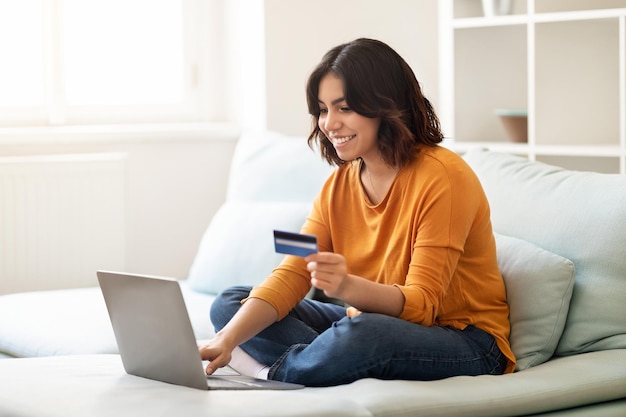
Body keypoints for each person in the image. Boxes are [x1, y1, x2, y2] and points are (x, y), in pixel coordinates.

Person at [199, 38, 516, 387]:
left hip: (466, 339)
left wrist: (348, 285)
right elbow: (293, 271)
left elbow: (422, 306)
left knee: (365, 334)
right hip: (371, 321)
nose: (329, 123)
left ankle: (272, 372)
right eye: (322, 110)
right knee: (230, 304)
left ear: (386, 105)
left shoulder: (444, 177)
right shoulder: (337, 185)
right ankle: (317, 362)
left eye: (344, 108)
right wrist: (226, 340)